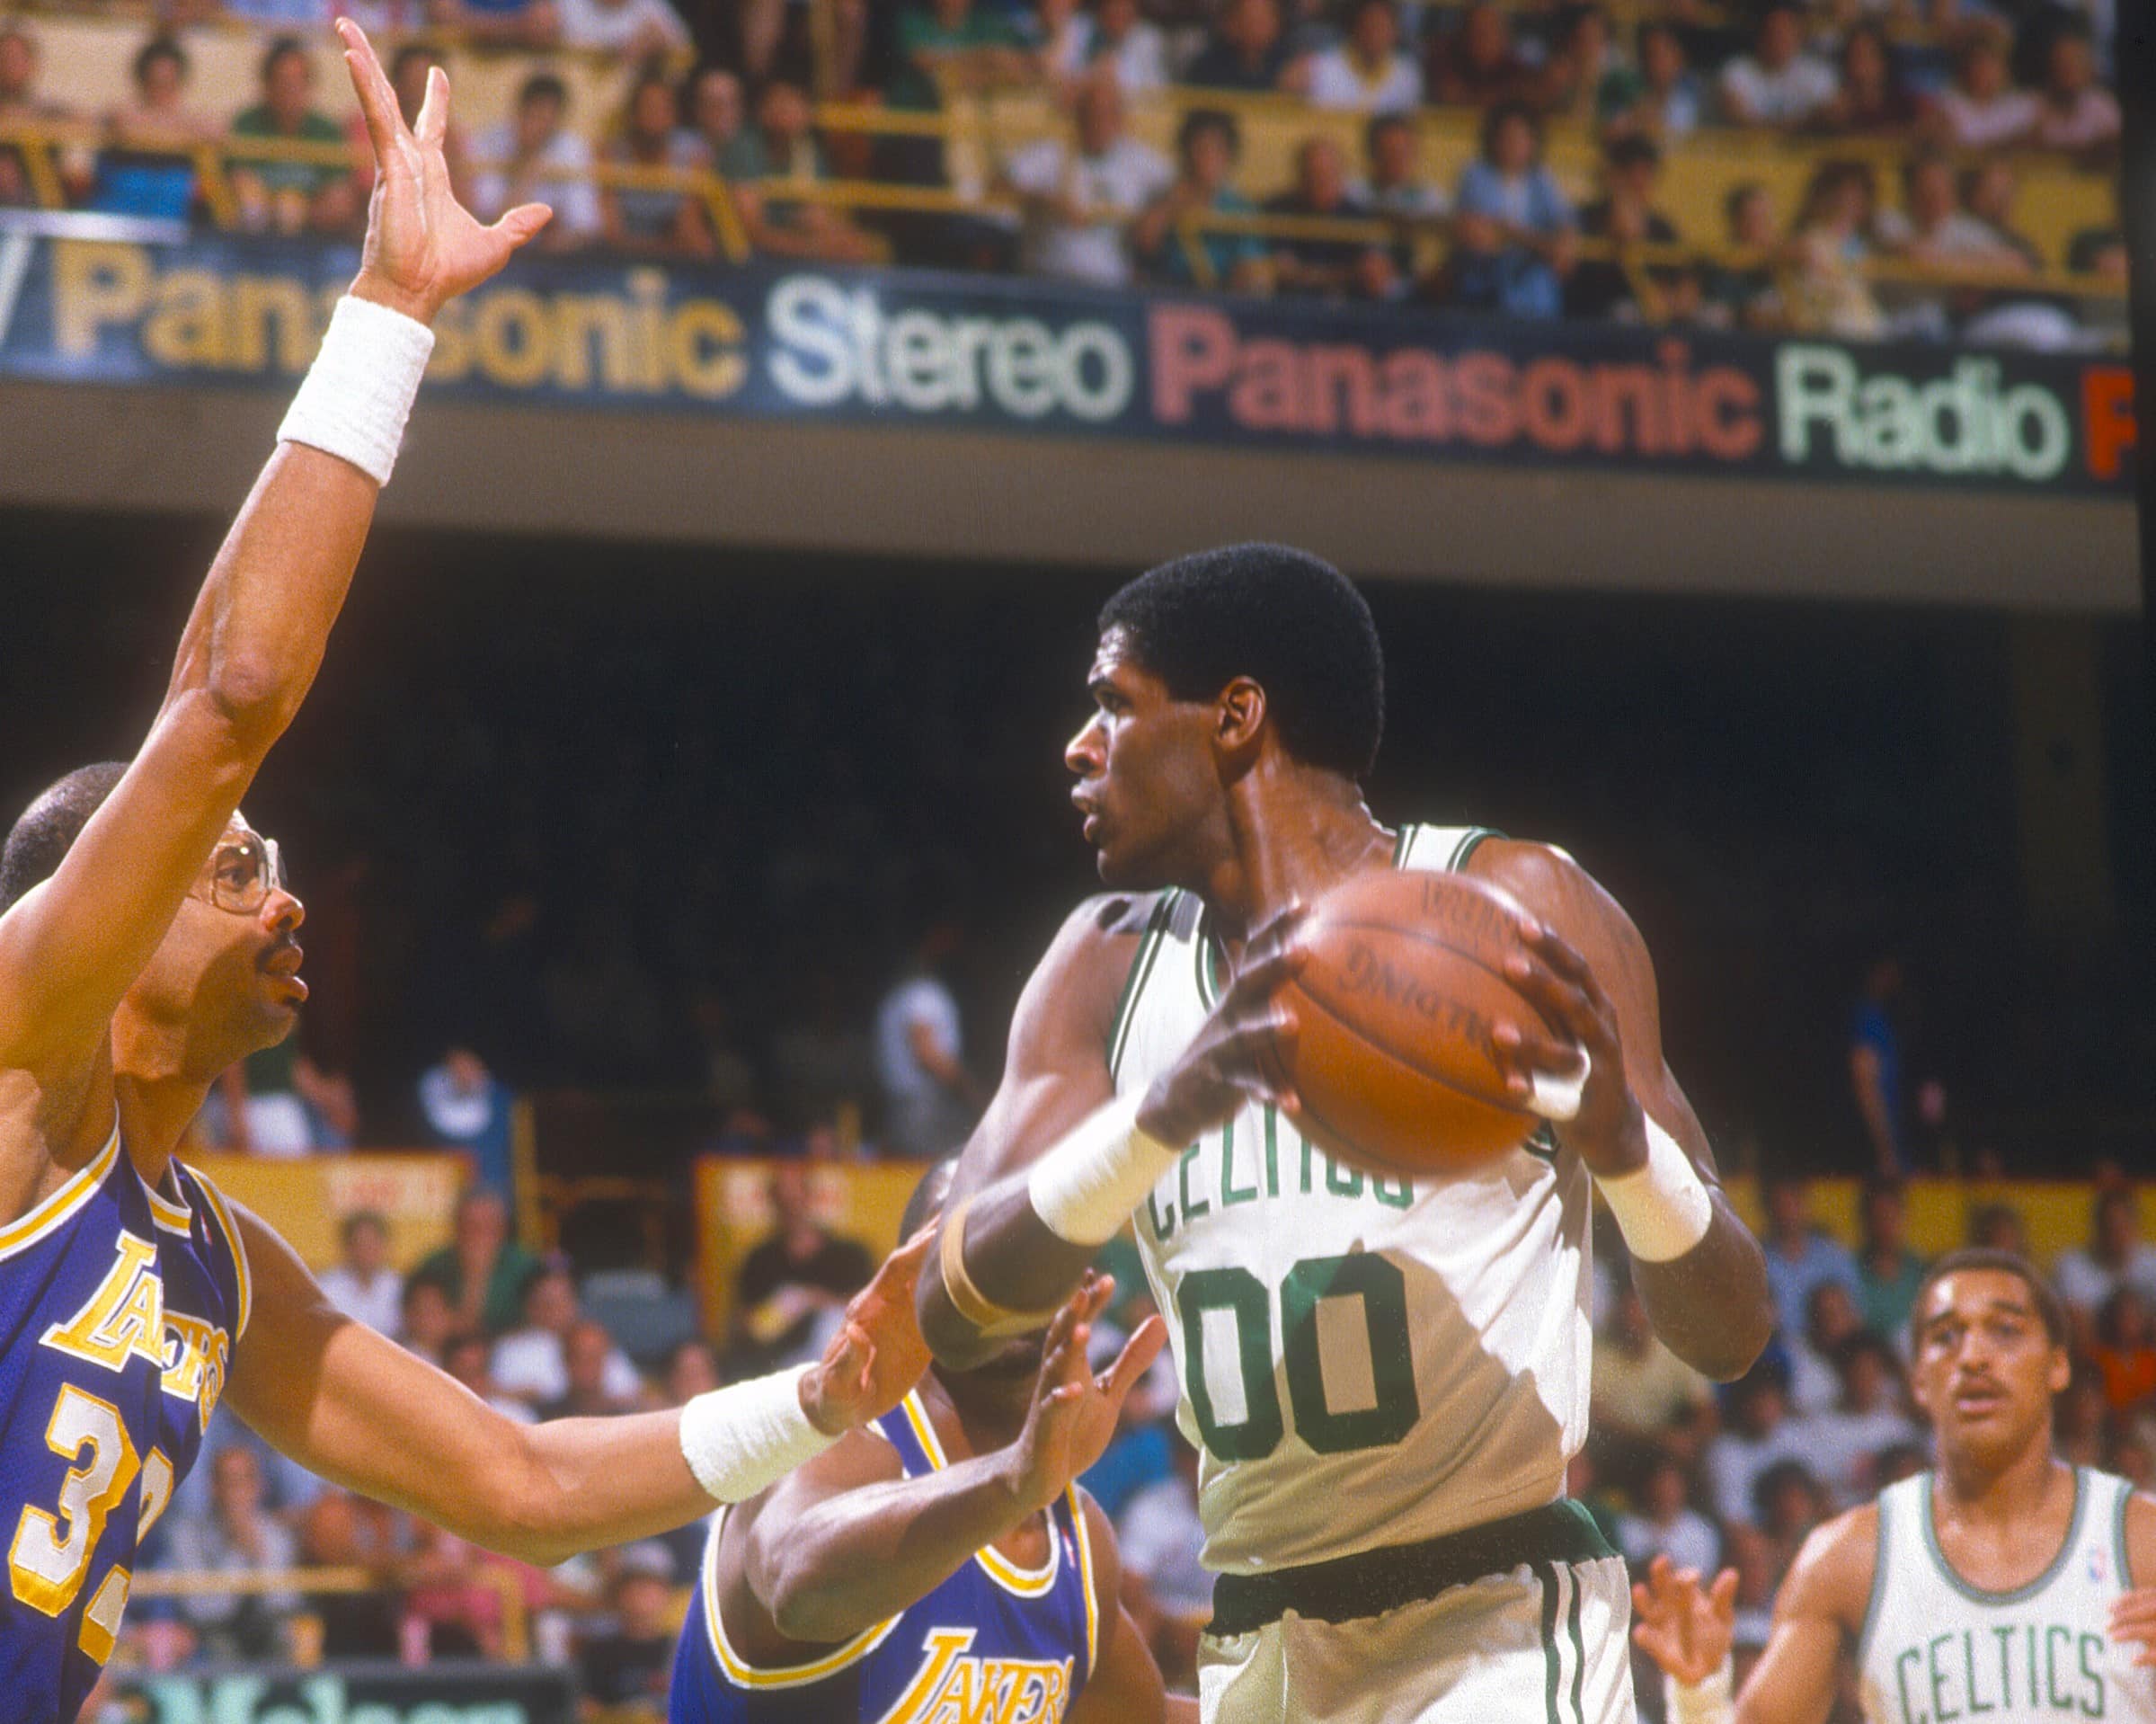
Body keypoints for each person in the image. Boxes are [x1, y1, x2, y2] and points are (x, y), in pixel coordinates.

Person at [0, 31, 930, 1722]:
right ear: (108, 921)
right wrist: (390, 322)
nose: (282, 902)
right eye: (227, 873)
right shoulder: (13, 1057)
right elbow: (229, 700)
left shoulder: (208, 1253)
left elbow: (519, 1486)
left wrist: (811, 1396)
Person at [914, 544, 1774, 1722]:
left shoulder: (1510, 906)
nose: (1076, 741)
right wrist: (1160, 1111)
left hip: (1496, 1618)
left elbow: (1728, 1329)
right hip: (1257, 1632)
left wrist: (1623, 1143)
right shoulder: (1102, 965)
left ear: (1234, 717)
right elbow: (954, 1313)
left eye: (1113, 701)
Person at [675, 1162, 1191, 1722]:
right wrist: (1013, 1484)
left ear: (1085, 1280)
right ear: (905, 1278)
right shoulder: (836, 1433)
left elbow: (1148, 1718)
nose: (1006, 1270)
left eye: (1034, 1242)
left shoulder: (1078, 1540)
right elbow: (797, 1587)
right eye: (970, 1246)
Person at [1634, 1249, 2156, 1724]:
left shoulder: (2143, 1542)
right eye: (1946, 1336)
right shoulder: (1847, 1558)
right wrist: (1699, 1695)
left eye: (2004, 1330)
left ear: (2058, 1362)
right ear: (1917, 1379)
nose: (1973, 1355)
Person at [1000, 74, 1173, 290]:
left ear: (1120, 119)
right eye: (1091, 113)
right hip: (1044, 283)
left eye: (1107, 114)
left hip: (1109, 288)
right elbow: (999, 185)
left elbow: (1179, 185)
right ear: (1079, 114)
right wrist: (1044, 202)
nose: (1098, 122)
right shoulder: (1051, 153)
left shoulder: (1137, 159)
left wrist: (1159, 212)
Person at [732, 1162, 875, 1365]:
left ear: (810, 1198)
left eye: (797, 1199)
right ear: (773, 1203)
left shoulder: (848, 1254)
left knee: (831, 1324)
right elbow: (743, 1324)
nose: (792, 1207)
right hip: (780, 1361)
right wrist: (776, 1310)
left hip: (838, 1358)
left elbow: (870, 1309)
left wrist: (811, 1299)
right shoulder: (760, 1259)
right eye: (784, 1200)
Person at [874, 922, 983, 1160]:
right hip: (923, 1112)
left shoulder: (903, 991)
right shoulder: (922, 991)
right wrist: (973, 1091)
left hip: (907, 1110)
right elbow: (926, 1052)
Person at [412, 1184, 542, 1337]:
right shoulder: (435, 1266)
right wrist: (474, 1278)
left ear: (502, 1229)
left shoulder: (526, 1266)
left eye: (487, 1226)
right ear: (457, 1228)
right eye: (470, 1225)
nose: (478, 1235)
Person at [317, 1209, 404, 1337]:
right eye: (360, 1243)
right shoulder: (326, 1287)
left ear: (384, 1245)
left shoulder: (398, 1287)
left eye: (373, 1243)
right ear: (347, 1246)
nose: (367, 1250)